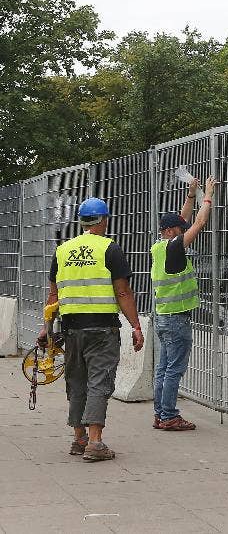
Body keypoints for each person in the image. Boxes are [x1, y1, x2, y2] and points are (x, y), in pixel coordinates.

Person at [37, 197, 144, 462]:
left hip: (71, 328)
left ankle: (79, 438)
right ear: (104, 220)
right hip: (102, 328)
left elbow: (53, 295)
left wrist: (46, 329)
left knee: (76, 382)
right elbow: (122, 291)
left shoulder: (62, 251)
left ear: (82, 221)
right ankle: (95, 442)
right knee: (99, 381)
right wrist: (136, 325)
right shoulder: (110, 248)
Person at [151, 175, 218, 431]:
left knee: (163, 368)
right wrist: (208, 195)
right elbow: (199, 222)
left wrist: (191, 195)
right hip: (176, 319)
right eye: (179, 230)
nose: (183, 231)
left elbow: (184, 220)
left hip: (163, 316)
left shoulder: (160, 246)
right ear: (170, 232)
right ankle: (169, 416)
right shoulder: (173, 247)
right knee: (173, 370)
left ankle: (160, 414)